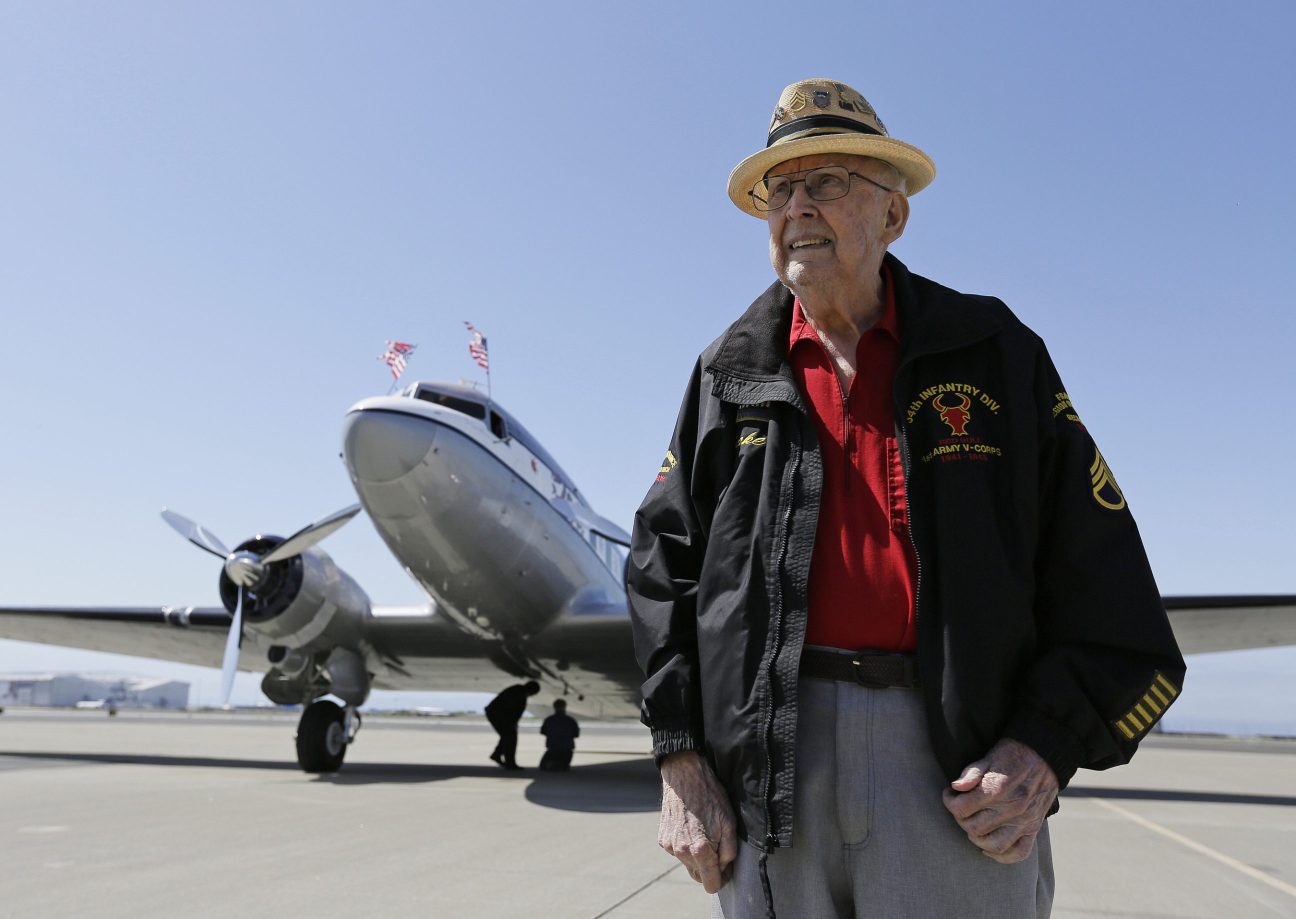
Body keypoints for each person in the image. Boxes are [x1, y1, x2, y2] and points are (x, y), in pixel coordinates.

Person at [625, 78, 1185, 919]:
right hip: (773, 775)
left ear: (893, 216)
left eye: (828, 182)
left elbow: (1103, 578)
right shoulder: (727, 373)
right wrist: (679, 755)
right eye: (780, 188)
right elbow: (661, 571)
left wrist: (1044, 742)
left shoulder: (996, 353)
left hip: (955, 777)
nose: (797, 206)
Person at [485, 680, 539, 770]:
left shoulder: (517, 690)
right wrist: (513, 723)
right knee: (510, 737)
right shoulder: (520, 694)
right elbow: (514, 711)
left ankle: (497, 755)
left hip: (496, 714)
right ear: (532, 691)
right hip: (498, 715)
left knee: (507, 736)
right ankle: (510, 763)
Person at [538, 699, 580, 771]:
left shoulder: (549, 720)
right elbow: (576, 734)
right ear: (565, 707)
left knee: (544, 767)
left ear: (554, 707)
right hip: (567, 749)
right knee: (563, 766)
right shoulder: (570, 720)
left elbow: (543, 732)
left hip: (552, 749)